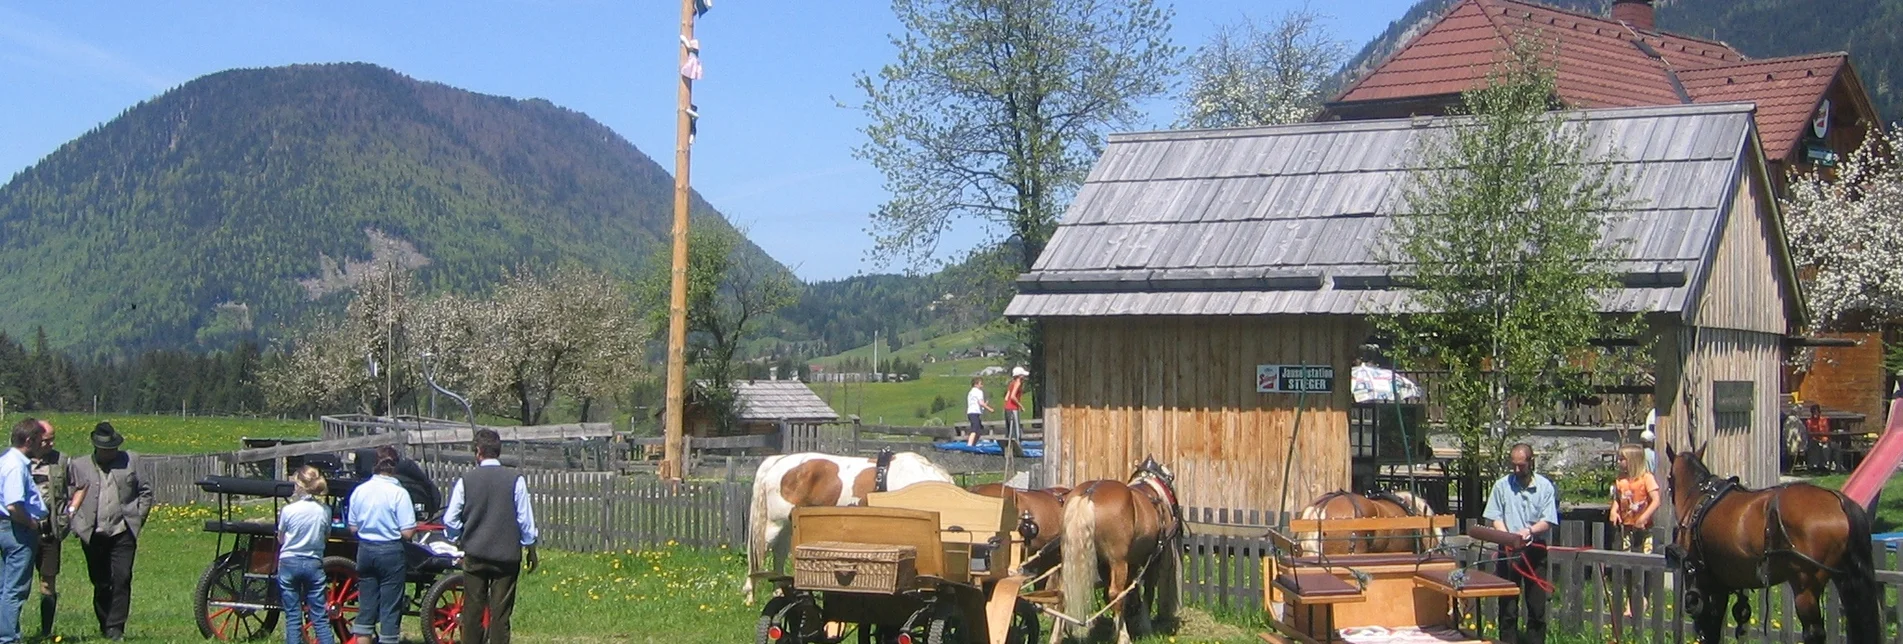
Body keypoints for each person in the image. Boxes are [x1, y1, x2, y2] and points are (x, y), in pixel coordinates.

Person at [444, 429, 540, 644]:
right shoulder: (515, 480)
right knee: (501, 614)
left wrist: (458, 537)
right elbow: (525, 520)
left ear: (478, 451)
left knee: (472, 613)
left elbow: (450, 519)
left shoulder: (466, 481)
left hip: (475, 554)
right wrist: (531, 549)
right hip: (506, 556)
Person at [66, 422, 152, 641]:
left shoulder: (131, 460)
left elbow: (145, 491)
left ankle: (116, 627)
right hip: (93, 533)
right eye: (106, 449)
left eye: (113, 448)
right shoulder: (79, 465)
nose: (110, 452)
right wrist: (76, 523)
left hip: (123, 530)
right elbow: (68, 498)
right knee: (101, 581)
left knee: (122, 577)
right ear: (96, 447)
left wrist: (138, 518)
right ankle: (104, 622)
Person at [1482, 443, 1557, 644]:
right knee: (1508, 607)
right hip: (1508, 550)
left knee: (1536, 607)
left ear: (1531, 462)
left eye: (1521, 466)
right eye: (1513, 465)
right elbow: (1495, 516)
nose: (1516, 470)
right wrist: (1507, 536)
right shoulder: (1501, 486)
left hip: (1534, 551)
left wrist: (1529, 530)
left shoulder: (1545, 487)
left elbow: (1548, 520)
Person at [346, 455, 415, 644]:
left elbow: (353, 526)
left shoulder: (360, 491)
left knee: (366, 607)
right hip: (390, 550)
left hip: (366, 549)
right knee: (390, 608)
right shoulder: (399, 493)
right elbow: (408, 532)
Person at [0, 419, 50, 644]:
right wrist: (31, 523)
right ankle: (8, 638)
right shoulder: (15, 465)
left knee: (4, 587)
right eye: (40, 441)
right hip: (15, 529)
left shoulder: (4, 459)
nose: (43, 445)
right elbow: (13, 505)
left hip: (6, 527)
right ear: (29, 440)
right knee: (15, 589)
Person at [278, 467, 336, 644]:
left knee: (293, 617)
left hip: (289, 561)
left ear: (299, 486)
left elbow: (281, 538)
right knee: (320, 617)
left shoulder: (289, 510)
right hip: (313, 561)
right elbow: (326, 537)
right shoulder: (324, 511)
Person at [1609, 443, 1659, 619]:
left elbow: (1656, 500)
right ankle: (1630, 602)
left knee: (1644, 565)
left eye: (1622, 459)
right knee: (1628, 566)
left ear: (1632, 461)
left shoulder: (1646, 478)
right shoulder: (1620, 481)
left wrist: (1644, 517)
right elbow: (1617, 499)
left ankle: (1644, 598)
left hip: (1644, 530)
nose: (1619, 462)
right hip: (1627, 528)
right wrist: (1614, 510)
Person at [27, 420, 65, 639]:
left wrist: (68, 513)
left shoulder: (61, 461)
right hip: (21, 530)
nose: (51, 443)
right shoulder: (17, 460)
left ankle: (46, 630)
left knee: (48, 581)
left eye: (53, 439)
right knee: (17, 583)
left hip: (49, 531)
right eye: (46, 439)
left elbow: (76, 487)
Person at [964, 377, 994, 447]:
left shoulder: (971, 392)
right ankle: (970, 444)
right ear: (976, 384)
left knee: (979, 429)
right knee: (974, 429)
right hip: (974, 412)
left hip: (971, 412)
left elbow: (976, 403)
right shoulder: (978, 392)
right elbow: (980, 402)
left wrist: (983, 406)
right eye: (981, 383)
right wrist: (989, 408)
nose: (982, 385)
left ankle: (973, 443)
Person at [1003, 367, 1028, 442]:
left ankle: (1009, 445)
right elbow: (1012, 396)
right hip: (1013, 408)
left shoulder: (1011, 383)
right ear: (1019, 375)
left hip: (1007, 408)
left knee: (1009, 429)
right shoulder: (1018, 383)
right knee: (1016, 429)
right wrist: (1021, 406)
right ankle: (1017, 445)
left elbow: (1006, 398)